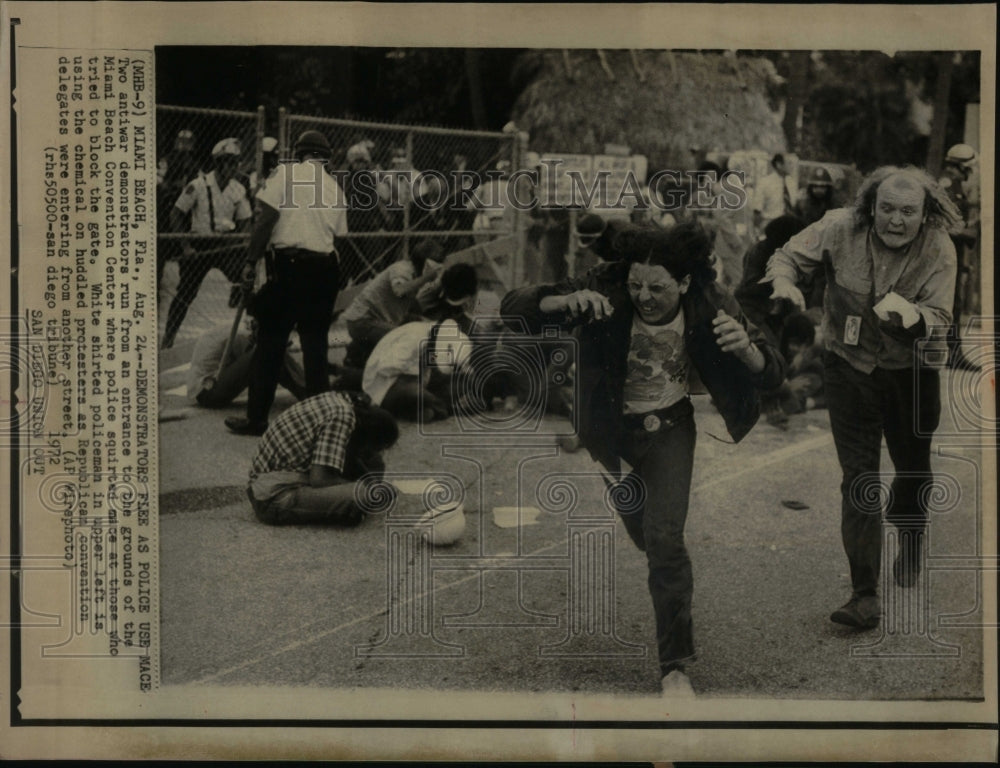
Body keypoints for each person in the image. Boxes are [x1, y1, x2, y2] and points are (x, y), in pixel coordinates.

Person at [502, 222, 784, 697]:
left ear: (685, 282)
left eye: (658, 287)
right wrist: (560, 303)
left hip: (671, 430)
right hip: (611, 433)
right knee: (643, 533)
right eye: (636, 285)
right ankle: (653, 548)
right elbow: (514, 309)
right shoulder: (606, 286)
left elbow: (773, 371)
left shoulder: (712, 303)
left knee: (664, 539)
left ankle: (675, 666)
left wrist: (750, 352)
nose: (644, 297)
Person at [765, 166, 960, 629]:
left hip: (911, 371)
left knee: (912, 471)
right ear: (870, 207)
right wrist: (785, 281)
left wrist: (912, 316)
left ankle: (910, 535)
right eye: (887, 209)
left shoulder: (940, 248)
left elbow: (940, 318)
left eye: (907, 212)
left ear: (924, 214)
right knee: (859, 478)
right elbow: (787, 256)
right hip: (847, 367)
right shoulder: (839, 225)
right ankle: (864, 594)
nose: (896, 220)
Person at [225, 130, 348, 436]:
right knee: (315, 347)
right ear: (326, 158)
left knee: (271, 343)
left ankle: (257, 419)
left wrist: (251, 262)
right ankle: (321, 423)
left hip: (291, 265)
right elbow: (339, 235)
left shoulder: (286, 173)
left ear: (299, 153)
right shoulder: (335, 187)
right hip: (325, 267)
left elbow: (266, 219)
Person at [246, 390, 399, 526]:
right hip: (272, 496)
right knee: (362, 495)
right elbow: (320, 479)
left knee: (375, 469)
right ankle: (343, 510)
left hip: (273, 481)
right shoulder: (342, 418)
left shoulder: (343, 402)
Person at [162, 137, 253, 349]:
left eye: (236, 162)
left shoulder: (237, 189)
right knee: (186, 292)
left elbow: (245, 220)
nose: (234, 167)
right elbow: (176, 213)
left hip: (225, 246)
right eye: (229, 162)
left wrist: (242, 241)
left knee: (248, 281)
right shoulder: (198, 185)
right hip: (199, 244)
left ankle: (252, 333)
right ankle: (168, 339)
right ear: (218, 163)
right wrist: (185, 246)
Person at [340, 241, 445, 369]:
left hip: (375, 320)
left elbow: (413, 307)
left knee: (421, 327)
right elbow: (399, 290)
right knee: (404, 337)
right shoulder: (402, 268)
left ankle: (355, 357)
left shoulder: (416, 275)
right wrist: (427, 278)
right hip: (362, 321)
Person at [362, 318, 472, 422]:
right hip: (385, 385)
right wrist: (416, 373)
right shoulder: (414, 337)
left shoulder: (430, 341)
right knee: (417, 393)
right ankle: (441, 407)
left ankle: (425, 408)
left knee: (462, 380)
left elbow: (426, 374)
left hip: (412, 383)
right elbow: (386, 368)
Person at [186, 320, 306, 408]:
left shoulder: (237, 327)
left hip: (207, 389)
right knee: (268, 351)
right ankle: (307, 391)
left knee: (271, 351)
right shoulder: (242, 335)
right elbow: (262, 364)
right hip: (209, 393)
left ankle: (306, 388)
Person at [939, 143, 980, 371]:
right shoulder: (947, 186)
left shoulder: (954, 187)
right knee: (949, 304)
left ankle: (953, 352)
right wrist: (970, 232)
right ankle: (951, 354)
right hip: (944, 256)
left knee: (954, 304)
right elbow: (945, 226)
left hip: (952, 254)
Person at [157, 128, 202, 285]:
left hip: (185, 211)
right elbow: (159, 182)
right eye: (181, 142)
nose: (184, 146)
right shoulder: (166, 160)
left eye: (187, 142)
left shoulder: (194, 165)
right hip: (167, 207)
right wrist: (174, 186)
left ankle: (186, 278)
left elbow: (199, 185)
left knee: (186, 254)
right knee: (160, 250)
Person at [753, 153, 797, 235]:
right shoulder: (764, 183)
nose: (792, 166)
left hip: (788, 227)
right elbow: (757, 211)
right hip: (770, 225)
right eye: (789, 163)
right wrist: (757, 231)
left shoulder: (791, 183)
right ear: (779, 165)